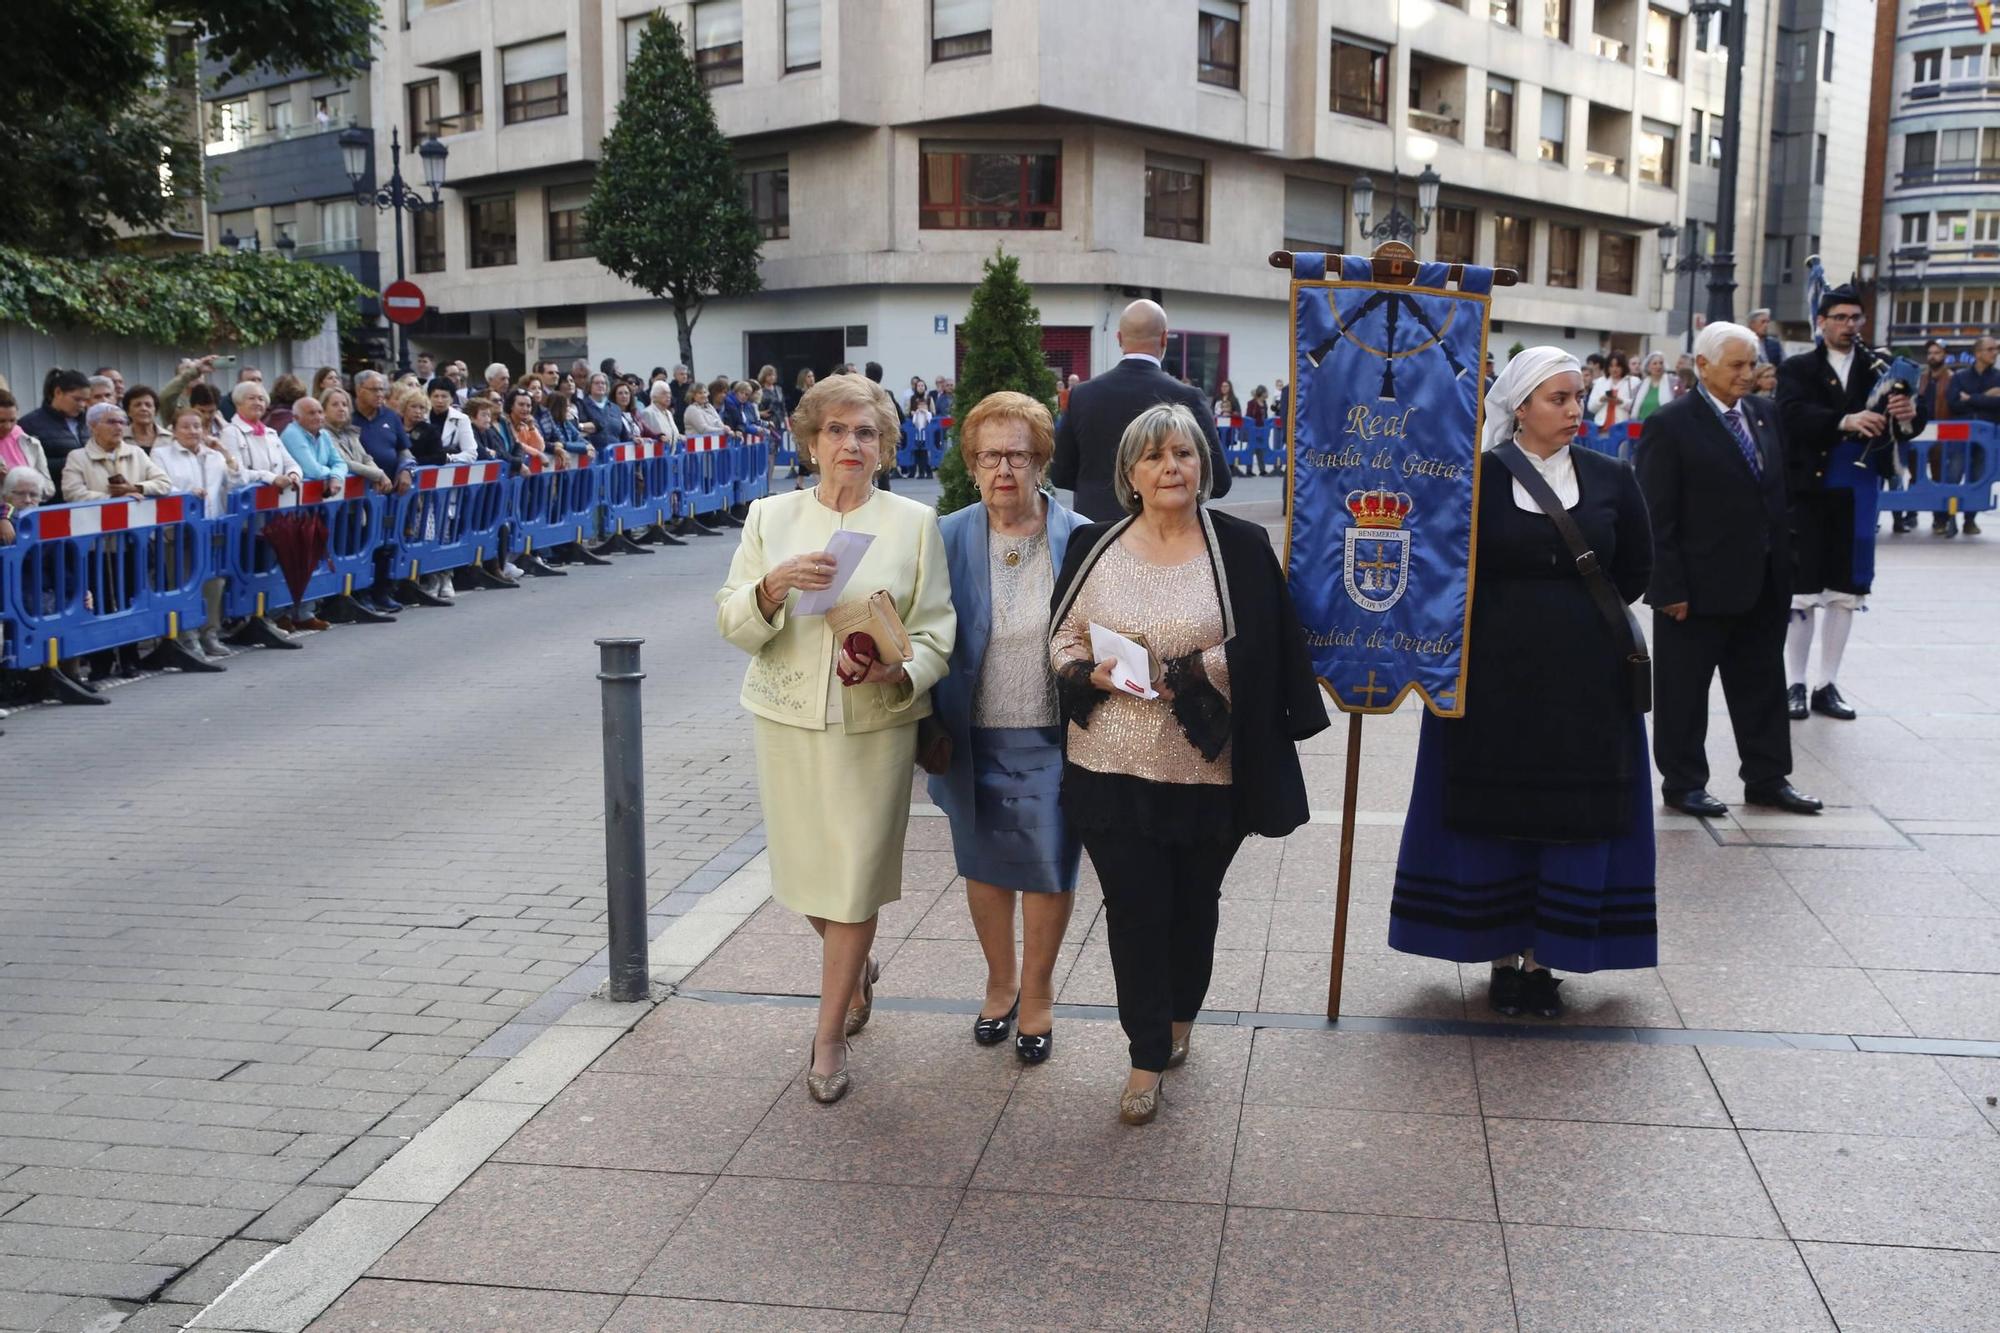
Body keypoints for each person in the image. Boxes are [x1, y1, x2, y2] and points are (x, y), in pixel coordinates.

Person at [1049, 402, 1326, 1124]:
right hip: (1108, 767)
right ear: (1129, 475)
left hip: (1209, 769)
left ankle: (1180, 1013)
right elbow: (1061, 640)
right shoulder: (1095, 545)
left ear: (1203, 467)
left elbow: (1267, 643)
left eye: (1184, 453)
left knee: (1192, 906)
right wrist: (1096, 673)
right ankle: (1144, 1056)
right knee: (1135, 908)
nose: (1171, 467)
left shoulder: (1237, 545)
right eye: (1154, 456)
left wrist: (1188, 669)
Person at [1389, 348, 1657, 1019]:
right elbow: (1437, 566)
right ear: (1519, 407)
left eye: (1577, 397)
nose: (1574, 410)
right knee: (1494, 814)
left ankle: (1546, 960)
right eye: (1558, 398)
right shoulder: (1472, 480)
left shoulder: (1611, 477)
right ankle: (1501, 957)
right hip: (1491, 683)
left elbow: (1635, 571)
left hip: (1586, 687)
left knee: (1572, 814)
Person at [715, 373, 956, 1104]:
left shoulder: (914, 523)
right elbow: (731, 619)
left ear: (884, 447)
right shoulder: (769, 517)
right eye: (836, 431)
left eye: (866, 433)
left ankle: (827, 1038)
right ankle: (855, 966)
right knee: (802, 876)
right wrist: (771, 589)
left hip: (873, 727)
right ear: (811, 441)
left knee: (852, 880)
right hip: (786, 717)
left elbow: (938, 629)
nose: (851, 443)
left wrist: (902, 664)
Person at [929, 392, 1088, 1063]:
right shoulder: (948, 534)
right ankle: (1000, 983)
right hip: (974, 728)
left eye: (1018, 455)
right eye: (990, 455)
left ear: (1041, 461)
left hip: (1053, 730)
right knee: (985, 865)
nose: (1004, 469)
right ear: (972, 464)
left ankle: (1039, 994)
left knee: (1050, 865)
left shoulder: (1076, 533)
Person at [1638, 322, 1821, 817]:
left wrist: (1789, 562)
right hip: (1693, 590)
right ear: (1702, 366)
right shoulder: (1670, 424)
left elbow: (1777, 496)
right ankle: (1683, 782)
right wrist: (1667, 586)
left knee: (1762, 685)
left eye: (1752, 364)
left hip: (1763, 582)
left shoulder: (1764, 415)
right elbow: (1658, 514)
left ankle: (1767, 777)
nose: (1748, 374)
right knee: (1684, 692)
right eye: (1736, 365)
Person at [1776, 287, 1923, 722]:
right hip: (1808, 488)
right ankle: (1795, 684)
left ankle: (1827, 684)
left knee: (1846, 589)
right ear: (1821, 322)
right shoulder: (1799, 367)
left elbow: (1913, 424)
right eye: (1839, 317)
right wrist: (1844, 420)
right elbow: (1789, 413)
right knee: (1802, 593)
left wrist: (1907, 412)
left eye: (1855, 318)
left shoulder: (1878, 366)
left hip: (1858, 488)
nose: (1849, 325)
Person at [1052, 300, 1229, 520]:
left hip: (1096, 530)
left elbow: (1060, 475)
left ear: (1119, 338)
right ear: (1165, 338)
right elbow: (1219, 481)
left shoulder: (1082, 395)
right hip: (1163, 531)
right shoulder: (1187, 398)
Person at [154, 406, 241, 659]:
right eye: (186, 426)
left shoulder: (213, 456)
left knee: (214, 583)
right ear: (173, 430)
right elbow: (162, 485)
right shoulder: (161, 454)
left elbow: (235, 480)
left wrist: (225, 453)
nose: (193, 431)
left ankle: (210, 633)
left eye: (197, 426)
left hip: (212, 526)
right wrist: (185, 494)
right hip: (179, 529)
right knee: (183, 582)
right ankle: (187, 636)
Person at [1945, 336, 2000, 539]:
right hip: (1961, 435)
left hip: (1987, 439)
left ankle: (1970, 520)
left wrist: (1972, 398)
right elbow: (1953, 403)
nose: (1995, 352)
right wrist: (1988, 397)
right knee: (1953, 474)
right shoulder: (1960, 377)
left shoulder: (1998, 377)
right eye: (1990, 349)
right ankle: (1950, 517)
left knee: (1979, 477)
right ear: (1978, 353)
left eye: (1996, 349)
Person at [62, 402, 174, 501]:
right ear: (93, 426)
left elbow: (165, 483)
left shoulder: (136, 452)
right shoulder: (77, 457)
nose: (119, 427)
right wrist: (113, 499)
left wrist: (136, 488)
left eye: (122, 422)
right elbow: (72, 493)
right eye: (111, 422)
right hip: (96, 521)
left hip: (135, 521)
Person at [352, 371, 417, 498]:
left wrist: (407, 469)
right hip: (359, 494)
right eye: (374, 390)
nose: (380, 394)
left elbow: (403, 450)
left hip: (391, 491)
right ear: (359, 390)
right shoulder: (347, 417)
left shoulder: (390, 416)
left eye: (382, 390)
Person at [20, 369, 91, 478]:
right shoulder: (30, 424)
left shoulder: (89, 422)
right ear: (58, 392)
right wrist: (75, 462)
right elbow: (29, 463)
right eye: (77, 399)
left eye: (86, 400)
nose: (82, 405)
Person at [278, 397, 350, 489]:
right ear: (296, 418)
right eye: (311, 413)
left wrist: (336, 477)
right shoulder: (292, 434)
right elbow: (312, 471)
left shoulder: (324, 434)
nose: (318, 417)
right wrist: (332, 472)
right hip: (292, 496)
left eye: (320, 412)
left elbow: (341, 463)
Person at [0, 391, 55, 497]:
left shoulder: (32, 444)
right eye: (1, 421)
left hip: (28, 510)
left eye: (12, 420)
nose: (8, 426)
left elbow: (49, 489)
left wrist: (27, 486)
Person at [1587, 351, 1640, 430]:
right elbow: (1590, 407)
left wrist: (1621, 401)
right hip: (1600, 427)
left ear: (1623, 366)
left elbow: (1637, 407)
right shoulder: (1600, 382)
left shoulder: (1633, 382)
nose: (1614, 369)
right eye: (1611, 366)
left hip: (1623, 428)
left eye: (1617, 366)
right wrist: (1601, 399)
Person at [576, 372, 632, 444]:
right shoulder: (581, 405)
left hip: (614, 452)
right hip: (592, 452)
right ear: (590, 386)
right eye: (597, 383)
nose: (600, 385)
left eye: (603, 383)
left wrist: (633, 440)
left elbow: (624, 435)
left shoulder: (615, 408)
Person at [1634, 352, 1676, 421]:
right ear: (1648, 367)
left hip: (1662, 426)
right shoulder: (1640, 386)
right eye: (1655, 363)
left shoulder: (1673, 383)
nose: (1658, 366)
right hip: (1641, 425)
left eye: (1661, 363)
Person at [121, 385, 164, 452]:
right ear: (128, 411)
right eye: (137, 405)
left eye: (148, 405)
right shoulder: (120, 438)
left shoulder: (170, 439)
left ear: (155, 411)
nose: (143, 408)